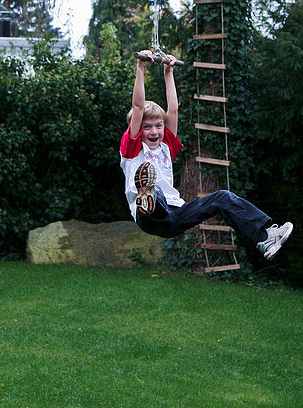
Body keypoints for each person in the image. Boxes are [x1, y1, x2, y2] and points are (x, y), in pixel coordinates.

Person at [120, 49, 293, 260]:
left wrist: (168, 72)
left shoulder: (167, 146)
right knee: (154, 191)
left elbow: (172, 110)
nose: (154, 132)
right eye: (147, 127)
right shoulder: (133, 149)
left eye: (158, 126)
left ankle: (265, 237)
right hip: (149, 215)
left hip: (177, 216)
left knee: (223, 198)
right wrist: (140, 68)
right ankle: (147, 196)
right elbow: (138, 107)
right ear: (139, 130)